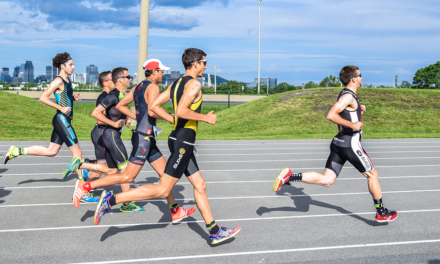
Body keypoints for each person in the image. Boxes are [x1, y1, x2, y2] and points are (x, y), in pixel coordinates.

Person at [76, 48, 240, 245]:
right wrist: (205, 118)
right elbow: (180, 110)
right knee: (162, 189)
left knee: (200, 185)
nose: (205, 66)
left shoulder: (176, 83)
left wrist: (164, 120)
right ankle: (111, 200)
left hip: (178, 139)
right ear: (195, 63)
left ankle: (213, 230)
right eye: (204, 62)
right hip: (183, 142)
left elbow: (154, 107)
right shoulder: (194, 84)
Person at [72, 59, 195, 223]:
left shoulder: (138, 87)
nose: (163, 74)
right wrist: (171, 119)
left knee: (164, 175)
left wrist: (138, 117)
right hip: (144, 138)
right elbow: (152, 110)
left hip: (147, 138)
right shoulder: (153, 87)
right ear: (154, 72)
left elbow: (122, 105)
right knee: (127, 177)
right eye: (161, 71)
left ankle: (175, 211)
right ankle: (86, 187)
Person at [273, 65, 398, 223]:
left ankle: (290, 176)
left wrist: (359, 110)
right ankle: (381, 212)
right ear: (353, 78)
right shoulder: (348, 97)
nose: (361, 78)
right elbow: (331, 115)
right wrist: (352, 125)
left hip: (339, 142)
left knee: (327, 180)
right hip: (350, 144)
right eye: (360, 75)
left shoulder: (347, 94)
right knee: (373, 174)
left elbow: (346, 111)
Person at [65, 67, 144, 213]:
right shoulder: (112, 95)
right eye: (128, 77)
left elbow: (120, 108)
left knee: (112, 170)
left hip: (111, 135)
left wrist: (125, 118)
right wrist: (114, 123)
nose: (130, 79)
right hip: (110, 136)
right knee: (126, 171)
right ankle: (125, 203)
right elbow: (95, 113)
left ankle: (83, 172)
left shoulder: (119, 95)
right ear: (120, 80)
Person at [3, 52, 83, 177]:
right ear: (62, 66)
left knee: (51, 151)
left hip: (64, 120)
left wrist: (73, 98)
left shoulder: (67, 80)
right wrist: (61, 108)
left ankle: (17, 151)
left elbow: (63, 97)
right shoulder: (58, 81)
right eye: (71, 64)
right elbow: (43, 98)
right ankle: (83, 190)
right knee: (77, 153)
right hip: (62, 119)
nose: (73, 67)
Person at [78, 71, 115, 203]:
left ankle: (87, 165)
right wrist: (114, 123)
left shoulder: (108, 95)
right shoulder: (104, 97)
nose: (115, 80)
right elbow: (100, 120)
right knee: (103, 166)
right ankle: (83, 191)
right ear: (105, 82)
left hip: (104, 133)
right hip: (100, 132)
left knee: (109, 166)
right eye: (112, 78)